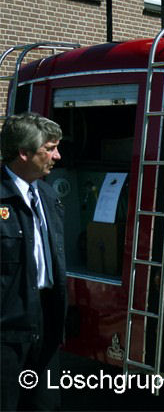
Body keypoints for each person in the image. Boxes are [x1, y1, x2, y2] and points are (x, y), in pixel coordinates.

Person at [1, 112, 66, 410]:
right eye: (49, 148)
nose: (57, 156)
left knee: (44, 405)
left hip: (45, 323)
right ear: (24, 153)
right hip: (7, 332)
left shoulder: (49, 197)